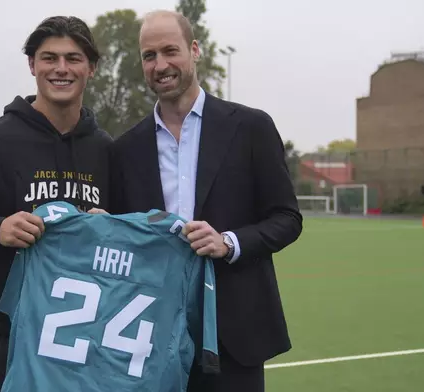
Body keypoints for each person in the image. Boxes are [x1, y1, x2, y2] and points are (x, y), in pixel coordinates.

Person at [108, 10, 303, 392]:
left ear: (194, 50)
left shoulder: (251, 128)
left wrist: (229, 243)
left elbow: (287, 218)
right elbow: (123, 238)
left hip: (235, 334)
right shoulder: (125, 149)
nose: (160, 65)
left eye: (170, 51)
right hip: (151, 336)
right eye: (149, 56)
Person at [0, 15, 111, 392]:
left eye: (73, 58)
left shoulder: (107, 150)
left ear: (91, 68)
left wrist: (112, 227)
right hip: (3, 337)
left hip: (85, 338)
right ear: (32, 65)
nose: (61, 69)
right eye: (49, 58)